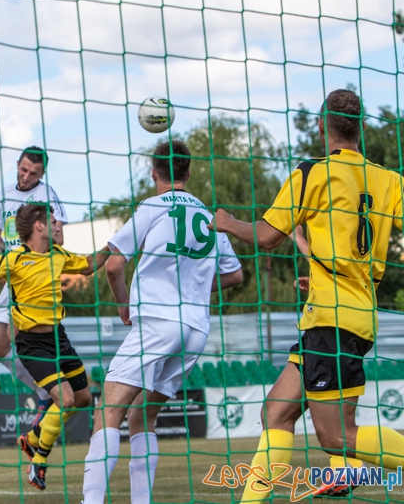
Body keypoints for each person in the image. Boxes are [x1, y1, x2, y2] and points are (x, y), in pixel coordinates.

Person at [209, 89, 404, 503]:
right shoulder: (390, 181)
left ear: (321, 126)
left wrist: (226, 222)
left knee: (336, 439)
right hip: (351, 317)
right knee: (275, 412)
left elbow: (266, 236)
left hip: (331, 324)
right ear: (360, 128)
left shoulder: (311, 173)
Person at [81, 140, 243, 504]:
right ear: (189, 172)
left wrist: (123, 304)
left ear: (154, 172)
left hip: (157, 321)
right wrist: (196, 287)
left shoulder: (152, 207)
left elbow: (113, 264)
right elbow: (234, 276)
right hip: (195, 330)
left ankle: (90, 500)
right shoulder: (205, 215)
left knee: (108, 409)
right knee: (143, 417)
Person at [0, 203, 108, 491]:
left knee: (84, 399)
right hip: (31, 344)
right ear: (39, 225)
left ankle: (32, 437)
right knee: (67, 400)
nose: (58, 225)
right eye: (54, 220)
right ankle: (39, 461)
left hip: (59, 339)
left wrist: (115, 244)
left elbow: (89, 265)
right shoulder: (13, 259)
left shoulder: (57, 255)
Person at [0, 146, 68, 423]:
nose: (26, 176)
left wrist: (42, 240)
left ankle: (53, 392)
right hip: (12, 279)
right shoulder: (4, 194)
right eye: (23, 169)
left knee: (18, 340)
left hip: (34, 280)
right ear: (17, 165)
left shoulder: (48, 195)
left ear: (42, 174)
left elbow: (60, 240)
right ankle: (44, 391)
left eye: (33, 173)